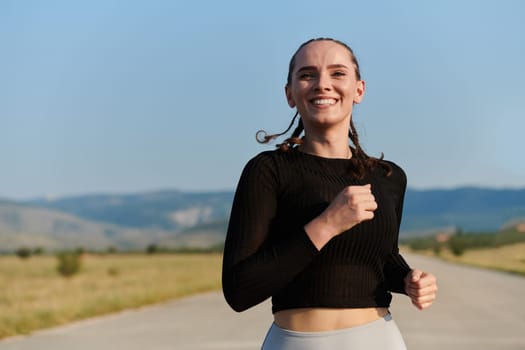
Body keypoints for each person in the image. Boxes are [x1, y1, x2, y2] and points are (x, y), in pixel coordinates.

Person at [222, 37, 437, 350]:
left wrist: (407, 280)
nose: (323, 84)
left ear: (359, 90)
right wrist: (327, 224)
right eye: (307, 75)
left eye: (337, 74)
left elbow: (382, 258)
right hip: (294, 342)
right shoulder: (268, 171)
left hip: (378, 340)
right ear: (290, 94)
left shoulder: (388, 178)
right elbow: (240, 291)